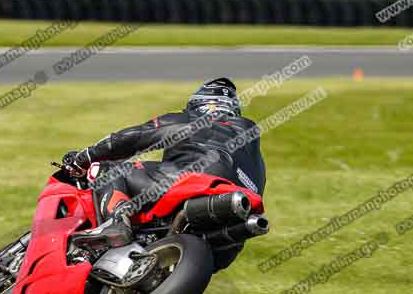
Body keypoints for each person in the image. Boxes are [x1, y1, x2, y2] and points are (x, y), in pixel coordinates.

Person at [63, 77, 266, 249]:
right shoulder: (252, 143)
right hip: (235, 226)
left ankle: (116, 223)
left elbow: (136, 137)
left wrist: (85, 157)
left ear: (198, 104)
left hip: (194, 179)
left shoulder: (191, 118)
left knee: (108, 170)